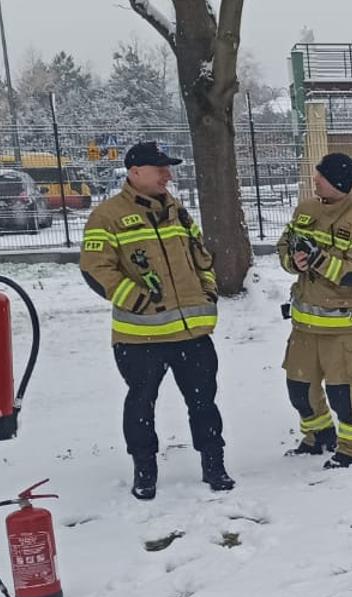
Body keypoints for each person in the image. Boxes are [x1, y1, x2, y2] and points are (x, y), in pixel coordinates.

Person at [80, 141, 232, 499]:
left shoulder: (177, 211)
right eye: (159, 168)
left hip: (191, 333)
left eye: (169, 168)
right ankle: (144, 469)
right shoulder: (108, 216)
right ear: (135, 173)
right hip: (140, 338)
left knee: (203, 402)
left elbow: (201, 257)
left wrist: (207, 289)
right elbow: (95, 267)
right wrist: (135, 299)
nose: (168, 174)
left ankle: (214, 464)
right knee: (141, 403)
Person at [278, 153, 352, 468]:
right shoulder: (306, 210)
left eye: (320, 176)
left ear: (337, 181)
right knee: (299, 389)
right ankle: (318, 435)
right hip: (303, 327)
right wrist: (293, 260)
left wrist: (318, 259)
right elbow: (285, 244)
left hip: (342, 329)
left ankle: (351, 448)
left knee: (344, 394)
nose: (314, 180)